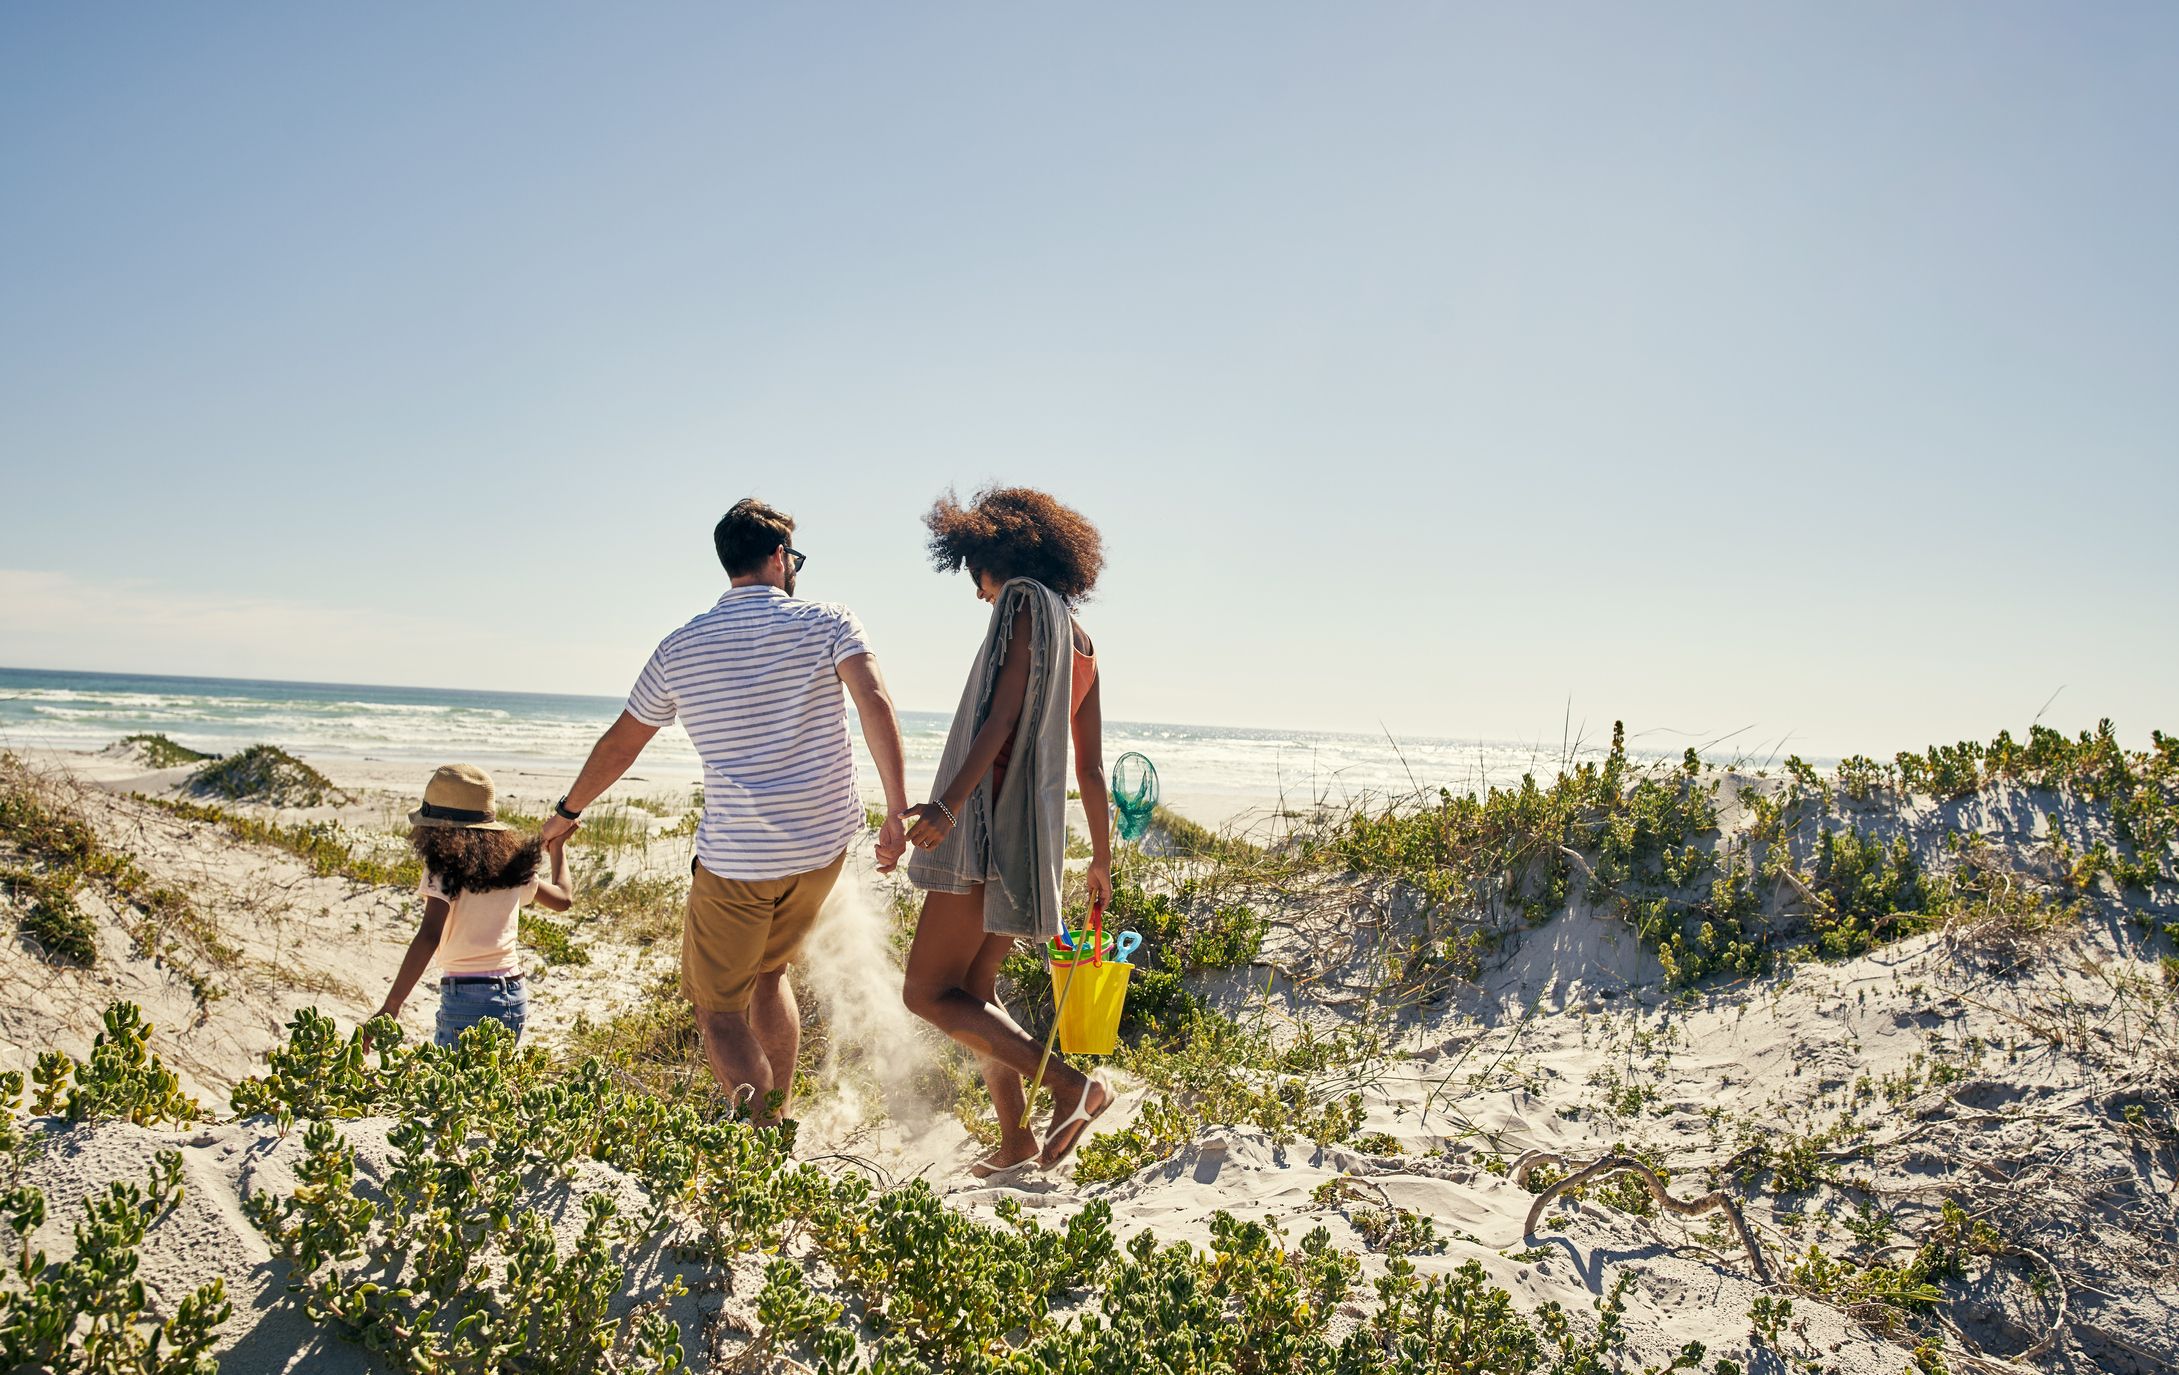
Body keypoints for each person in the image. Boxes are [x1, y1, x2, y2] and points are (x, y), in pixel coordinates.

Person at [543, 498, 910, 1123]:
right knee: (770, 976)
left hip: (739, 861)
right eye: (792, 556)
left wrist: (568, 811)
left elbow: (622, 742)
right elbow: (873, 700)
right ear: (776, 558)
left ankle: (762, 1139)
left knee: (718, 1011)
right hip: (820, 855)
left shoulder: (680, 647)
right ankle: (779, 1115)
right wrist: (897, 811)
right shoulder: (830, 621)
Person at [899, 486, 1114, 1174]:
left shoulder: (1022, 602)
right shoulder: (1080, 640)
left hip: (988, 827)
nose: (979, 593)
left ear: (997, 555)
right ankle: (1017, 1140)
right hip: (1032, 842)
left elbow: (999, 718)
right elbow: (1091, 769)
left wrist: (946, 806)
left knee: (926, 993)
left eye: (974, 575)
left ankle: (1075, 1088)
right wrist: (1100, 862)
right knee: (976, 994)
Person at [375, 763, 573, 1047]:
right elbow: (563, 899)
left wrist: (392, 1005)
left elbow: (429, 935)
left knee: (449, 1088)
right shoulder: (510, 865)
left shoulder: (443, 868)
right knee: (488, 1086)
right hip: (514, 994)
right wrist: (558, 849)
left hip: (467, 997)